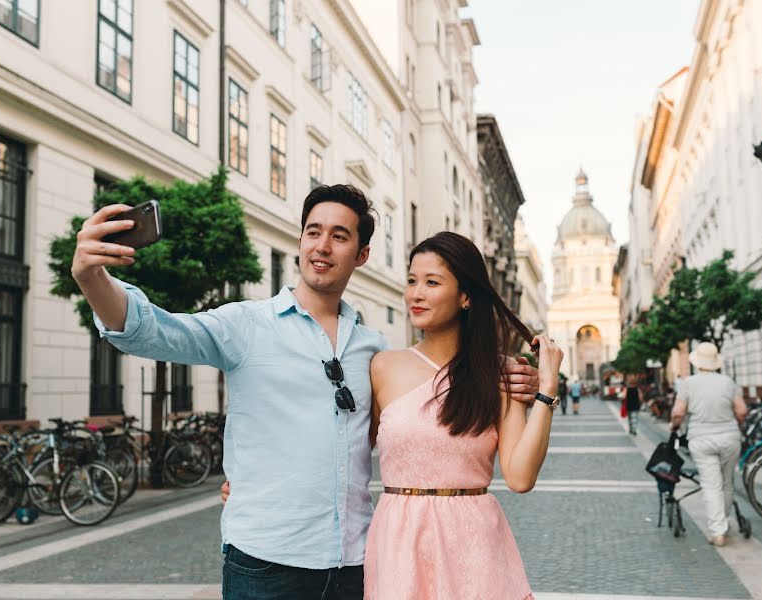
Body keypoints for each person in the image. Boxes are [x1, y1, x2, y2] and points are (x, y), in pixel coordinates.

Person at [71, 184, 539, 600]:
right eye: (313, 231)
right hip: (266, 562)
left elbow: (414, 430)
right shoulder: (245, 326)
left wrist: (518, 383)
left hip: (357, 562)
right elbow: (154, 331)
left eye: (340, 235)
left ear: (361, 255)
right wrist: (93, 279)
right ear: (300, 242)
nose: (323, 245)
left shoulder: (375, 351)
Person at [364, 232, 563, 599]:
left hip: (475, 547)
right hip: (399, 543)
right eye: (411, 281)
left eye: (432, 282)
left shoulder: (500, 374)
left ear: (466, 296)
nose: (416, 293)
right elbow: (344, 452)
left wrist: (546, 389)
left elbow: (520, 476)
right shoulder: (383, 367)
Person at [669, 342, 747, 547]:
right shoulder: (728, 382)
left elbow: (678, 413)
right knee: (727, 483)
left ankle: (718, 531)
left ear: (697, 362)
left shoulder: (688, 383)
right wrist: (737, 425)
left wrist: (674, 426)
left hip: (701, 438)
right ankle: (723, 522)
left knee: (711, 485)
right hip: (729, 437)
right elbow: (741, 411)